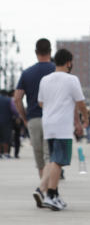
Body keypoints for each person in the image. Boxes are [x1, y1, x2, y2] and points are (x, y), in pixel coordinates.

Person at [33, 49, 88, 210]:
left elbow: (41, 103)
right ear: (69, 62)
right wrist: (85, 117)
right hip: (62, 126)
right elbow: (81, 103)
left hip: (48, 124)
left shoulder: (45, 80)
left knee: (53, 159)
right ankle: (50, 195)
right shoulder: (72, 80)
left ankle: (54, 194)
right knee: (59, 160)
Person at [14, 38, 55, 177]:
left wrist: (25, 118)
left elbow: (17, 98)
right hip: (53, 118)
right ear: (50, 51)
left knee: (39, 156)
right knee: (49, 154)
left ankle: (42, 185)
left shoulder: (27, 73)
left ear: (36, 52)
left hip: (34, 118)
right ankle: (48, 187)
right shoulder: (57, 71)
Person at [0, 90, 14, 159]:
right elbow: (13, 109)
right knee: (6, 138)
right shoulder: (9, 100)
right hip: (6, 121)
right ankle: (5, 153)